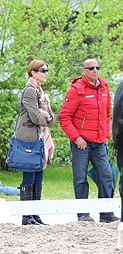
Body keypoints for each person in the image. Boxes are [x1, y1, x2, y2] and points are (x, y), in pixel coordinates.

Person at [59, 59, 119, 223]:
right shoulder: (76, 90)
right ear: (84, 70)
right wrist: (76, 138)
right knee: (80, 178)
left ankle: (106, 214)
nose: (95, 70)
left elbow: (107, 114)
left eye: (97, 67)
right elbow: (64, 117)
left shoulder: (105, 87)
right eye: (91, 68)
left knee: (107, 176)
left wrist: (106, 135)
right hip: (81, 144)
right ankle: (83, 214)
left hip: (100, 143)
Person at [15, 60, 55, 225]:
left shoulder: (42, 92)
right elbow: (35, 117)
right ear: (33, 72)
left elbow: (51, 118)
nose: (46, 73)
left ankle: (35, 215)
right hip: (29, 137)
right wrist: (46, 116)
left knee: (39, 174)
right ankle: (26, 216)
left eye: (47, 70)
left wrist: (46, 116)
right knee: (30, 174)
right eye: (43, 70)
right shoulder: (30, 91)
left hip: (41, 137)